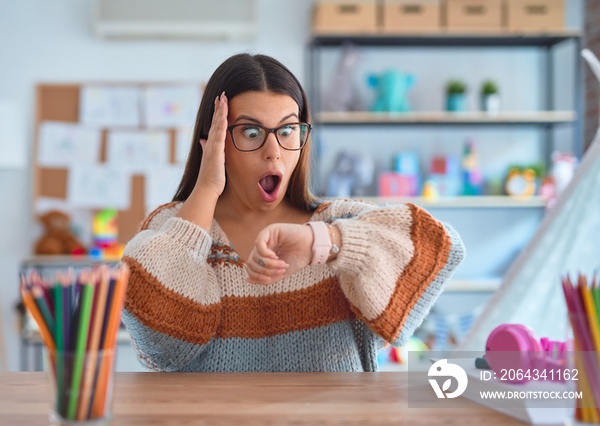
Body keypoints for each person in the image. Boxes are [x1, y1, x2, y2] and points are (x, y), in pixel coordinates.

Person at [121, 53, 465, 372]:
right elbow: (162, 346)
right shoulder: (171, 227)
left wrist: (323, 243)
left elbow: (442, 248)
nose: (274, 152)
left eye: (287, 130)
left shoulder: (337, 224)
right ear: (214, 140)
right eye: (251, 132)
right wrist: (207, 188)